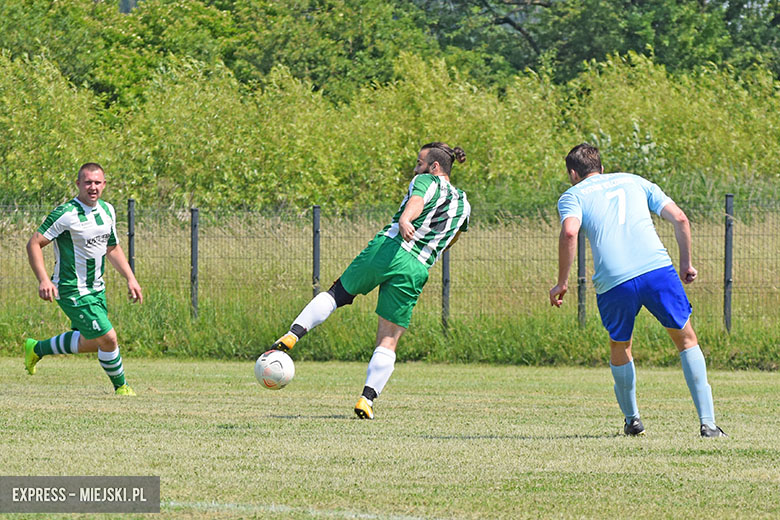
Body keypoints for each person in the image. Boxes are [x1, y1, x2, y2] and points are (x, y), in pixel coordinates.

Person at [270, 142, 471, 419]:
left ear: (434, 167)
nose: (415, 169)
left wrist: (405, 220)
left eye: (419, 163)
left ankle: (293, 334)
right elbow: (452, 239)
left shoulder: (426, 181)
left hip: (389, 248)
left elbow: (416, 202)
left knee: (337, 294)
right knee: (388, 338)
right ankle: (367, 400)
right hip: (417, 268)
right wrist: (429, 248)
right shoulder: (464, 205)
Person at [549, 143, 726, 437]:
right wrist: (686, 264)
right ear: (601, 168)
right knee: (686, 339)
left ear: (573, 174)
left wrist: (562, 282)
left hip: (614, 280)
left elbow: (570, 231)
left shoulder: (573, 195)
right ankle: (708, 424)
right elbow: (680, 218)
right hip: (657, 270)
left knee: (620, 345)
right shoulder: (634, 180)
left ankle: (633, 421)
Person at [25, 163, 143, 395]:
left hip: (96, 289)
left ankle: (37, 348)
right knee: (109, 338)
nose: (93, 187)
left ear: (104, 184)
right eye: (88, 182)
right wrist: (43, 280)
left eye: (97, 182)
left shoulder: (107, 210)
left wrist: (131, 278)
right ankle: (122, 387)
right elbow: (34, 243)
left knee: (94, 341)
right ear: (78, 184)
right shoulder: (66, 214)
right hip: (71, 289)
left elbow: (112, 248)